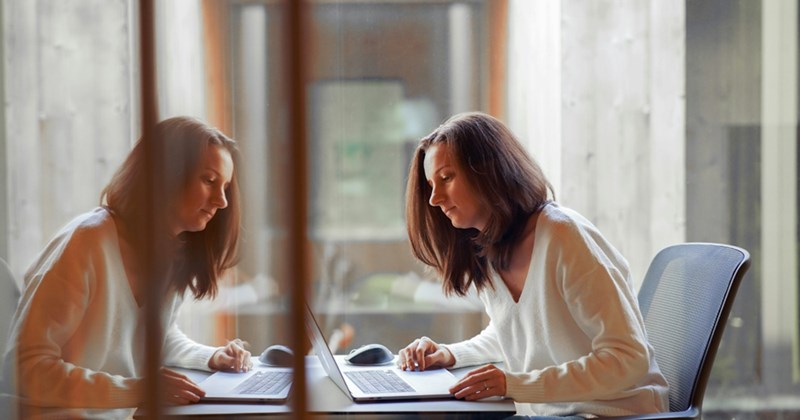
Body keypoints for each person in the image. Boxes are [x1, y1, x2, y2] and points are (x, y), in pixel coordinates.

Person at [397, 112, 669, 417]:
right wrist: (449, 354)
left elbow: (628, 359)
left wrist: (513, 384)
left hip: (613, 412)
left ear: (489, 170)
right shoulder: (488, 248)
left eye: (446, 178)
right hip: (552, 413)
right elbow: (517, 335)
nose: (434, 199)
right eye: (431, 184)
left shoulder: (564, 237)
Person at [1, 116, 253, 418]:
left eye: (225, 186)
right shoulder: (87, 242)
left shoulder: (172, 251)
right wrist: (139, 389)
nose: (222, 201)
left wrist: (211, 356)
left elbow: (154, 335)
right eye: (210, 180)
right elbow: (25, 369)